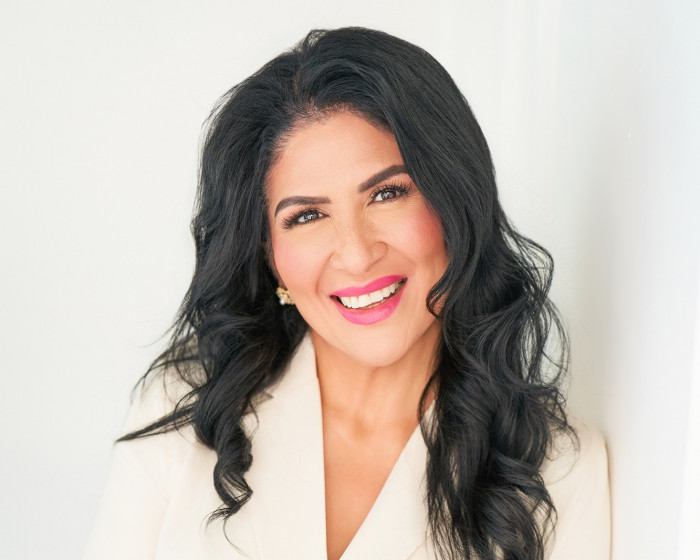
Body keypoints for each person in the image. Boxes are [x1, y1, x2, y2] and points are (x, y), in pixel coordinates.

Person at [83, 27, 610, 560]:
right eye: (306, 216)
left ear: (456, 201)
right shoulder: (182, 410)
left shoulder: (561, 472)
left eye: (388, 193)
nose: (356, 255)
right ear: (268, 254)